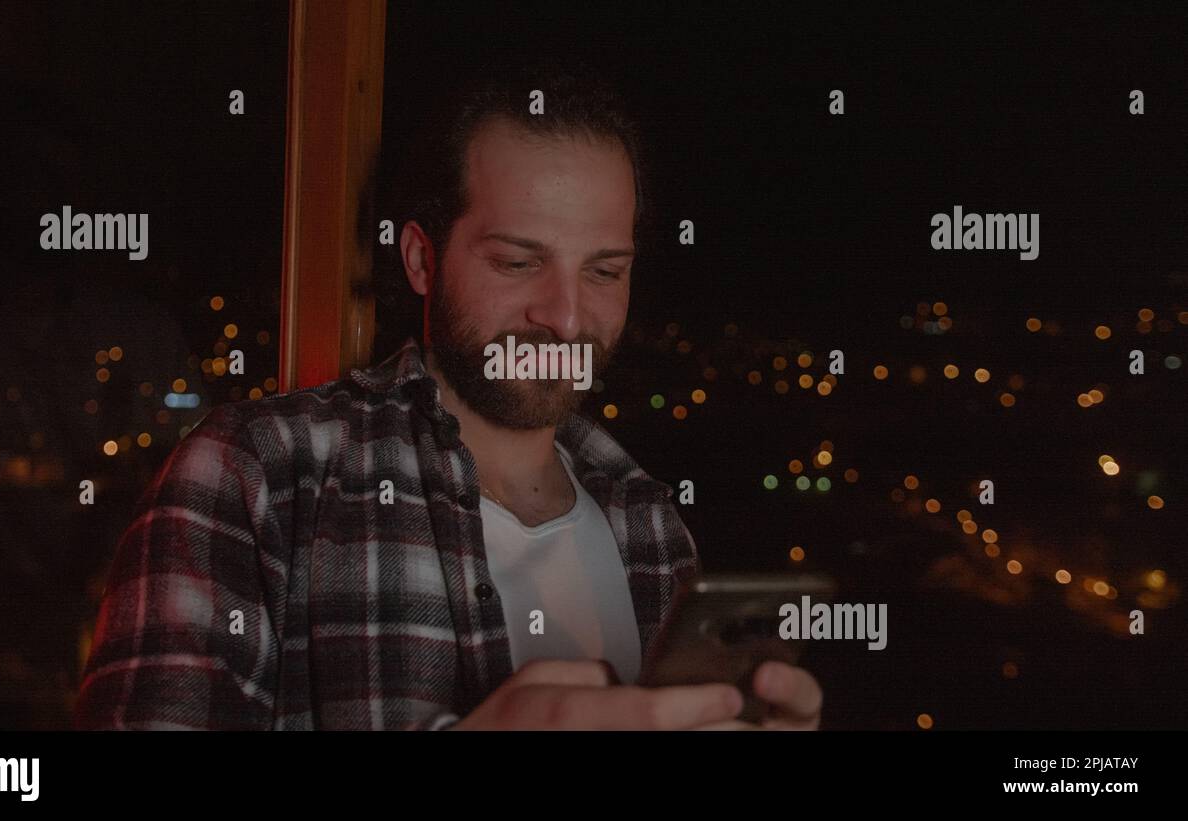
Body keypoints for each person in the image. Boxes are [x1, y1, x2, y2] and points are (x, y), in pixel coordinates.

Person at [76, 65, 823, 730]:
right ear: (421, 260)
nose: (564, 316)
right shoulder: (256, 474)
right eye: (519, 260)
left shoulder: (653, 526)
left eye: (603, 271)